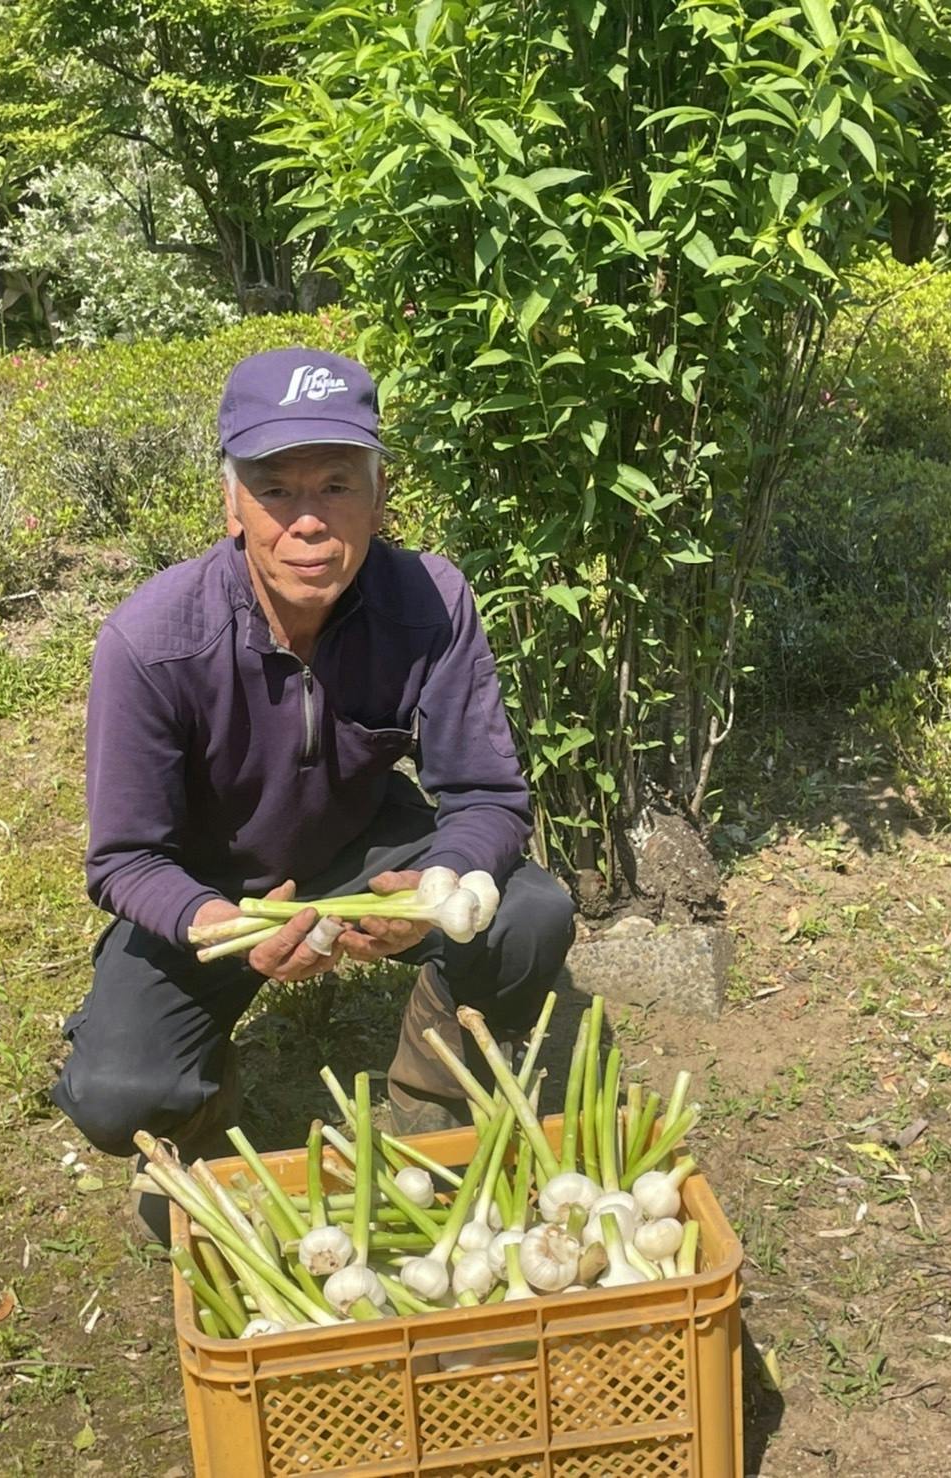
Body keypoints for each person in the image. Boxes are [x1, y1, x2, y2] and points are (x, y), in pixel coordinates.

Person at [49, 346, 575, 1240]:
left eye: (337, 484)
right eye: (275, 488)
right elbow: (125, 859)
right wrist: (222, 927)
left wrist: (436, 888)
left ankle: (432, 1096)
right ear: (231, 502)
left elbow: (486, 795)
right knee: (116, 1094)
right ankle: (198, 1116)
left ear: (379, 494)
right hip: (213, 888)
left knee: (528, 916)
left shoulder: (430, 602)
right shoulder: (151, 640)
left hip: (365, 844)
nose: (308, 523)